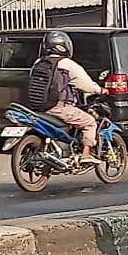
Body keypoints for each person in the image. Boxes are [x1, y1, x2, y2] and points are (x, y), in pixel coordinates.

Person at [24, 31, 105, 167]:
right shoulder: (67, 64)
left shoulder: (38, 62)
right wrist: (100, 90)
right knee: (90, 122)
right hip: (58, 107)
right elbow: (86, 85)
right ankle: (85, 155)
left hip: (38, 106)